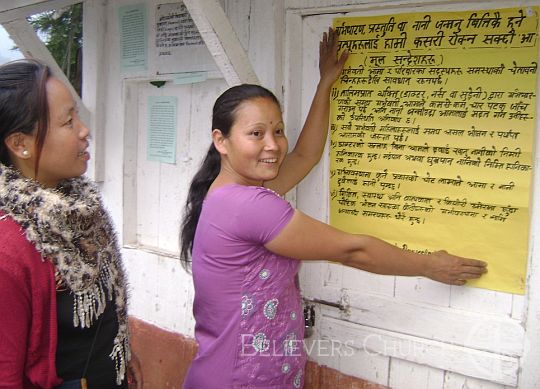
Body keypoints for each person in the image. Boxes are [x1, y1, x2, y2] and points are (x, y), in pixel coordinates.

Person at [179, 28, 487, 389]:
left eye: (278, 131)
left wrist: (326, 83)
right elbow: (353, 250)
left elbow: (305, 156)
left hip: (236, 372)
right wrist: (429, 264)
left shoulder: (228, 193)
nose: (273, 145)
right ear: (222, 141)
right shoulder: (249, 205)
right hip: (240, 379)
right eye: (256, 133)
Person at [0, 59, 141, 388]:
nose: (84, 130)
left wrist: (120, 350)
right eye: (68, 121)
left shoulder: (80, 209)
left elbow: (107, 308)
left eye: (77, 115)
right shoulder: (10, 248)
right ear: (21, 144)